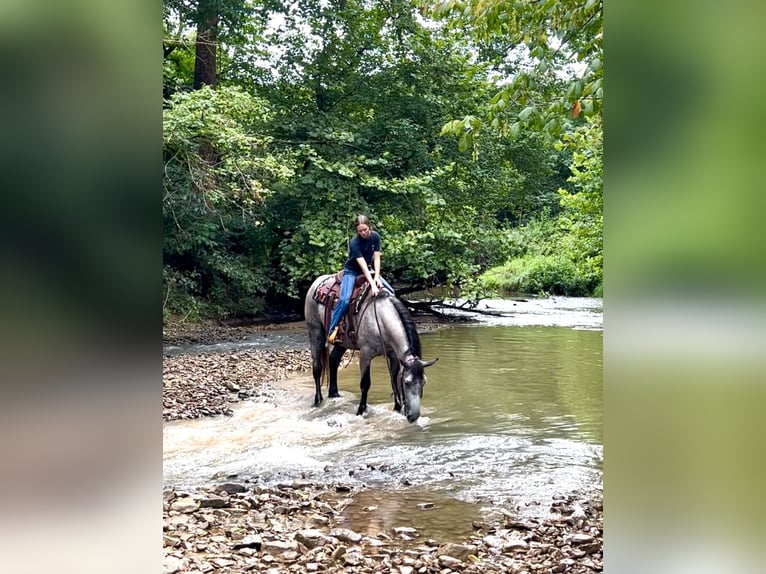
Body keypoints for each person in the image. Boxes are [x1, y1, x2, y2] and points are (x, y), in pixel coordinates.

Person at [327, 214, 394, 344]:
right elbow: (362, 266)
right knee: (345, 300)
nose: (363, 233)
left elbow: (377, 258)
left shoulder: (375, 236)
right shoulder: (354, 243)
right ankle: (331, 330)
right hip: (352, 271)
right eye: (360, 231)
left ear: (369, 227)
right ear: (357, 231)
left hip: (369, 269)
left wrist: (377, 277)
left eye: (365, 230)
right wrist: (373, 285)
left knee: (391, 291)